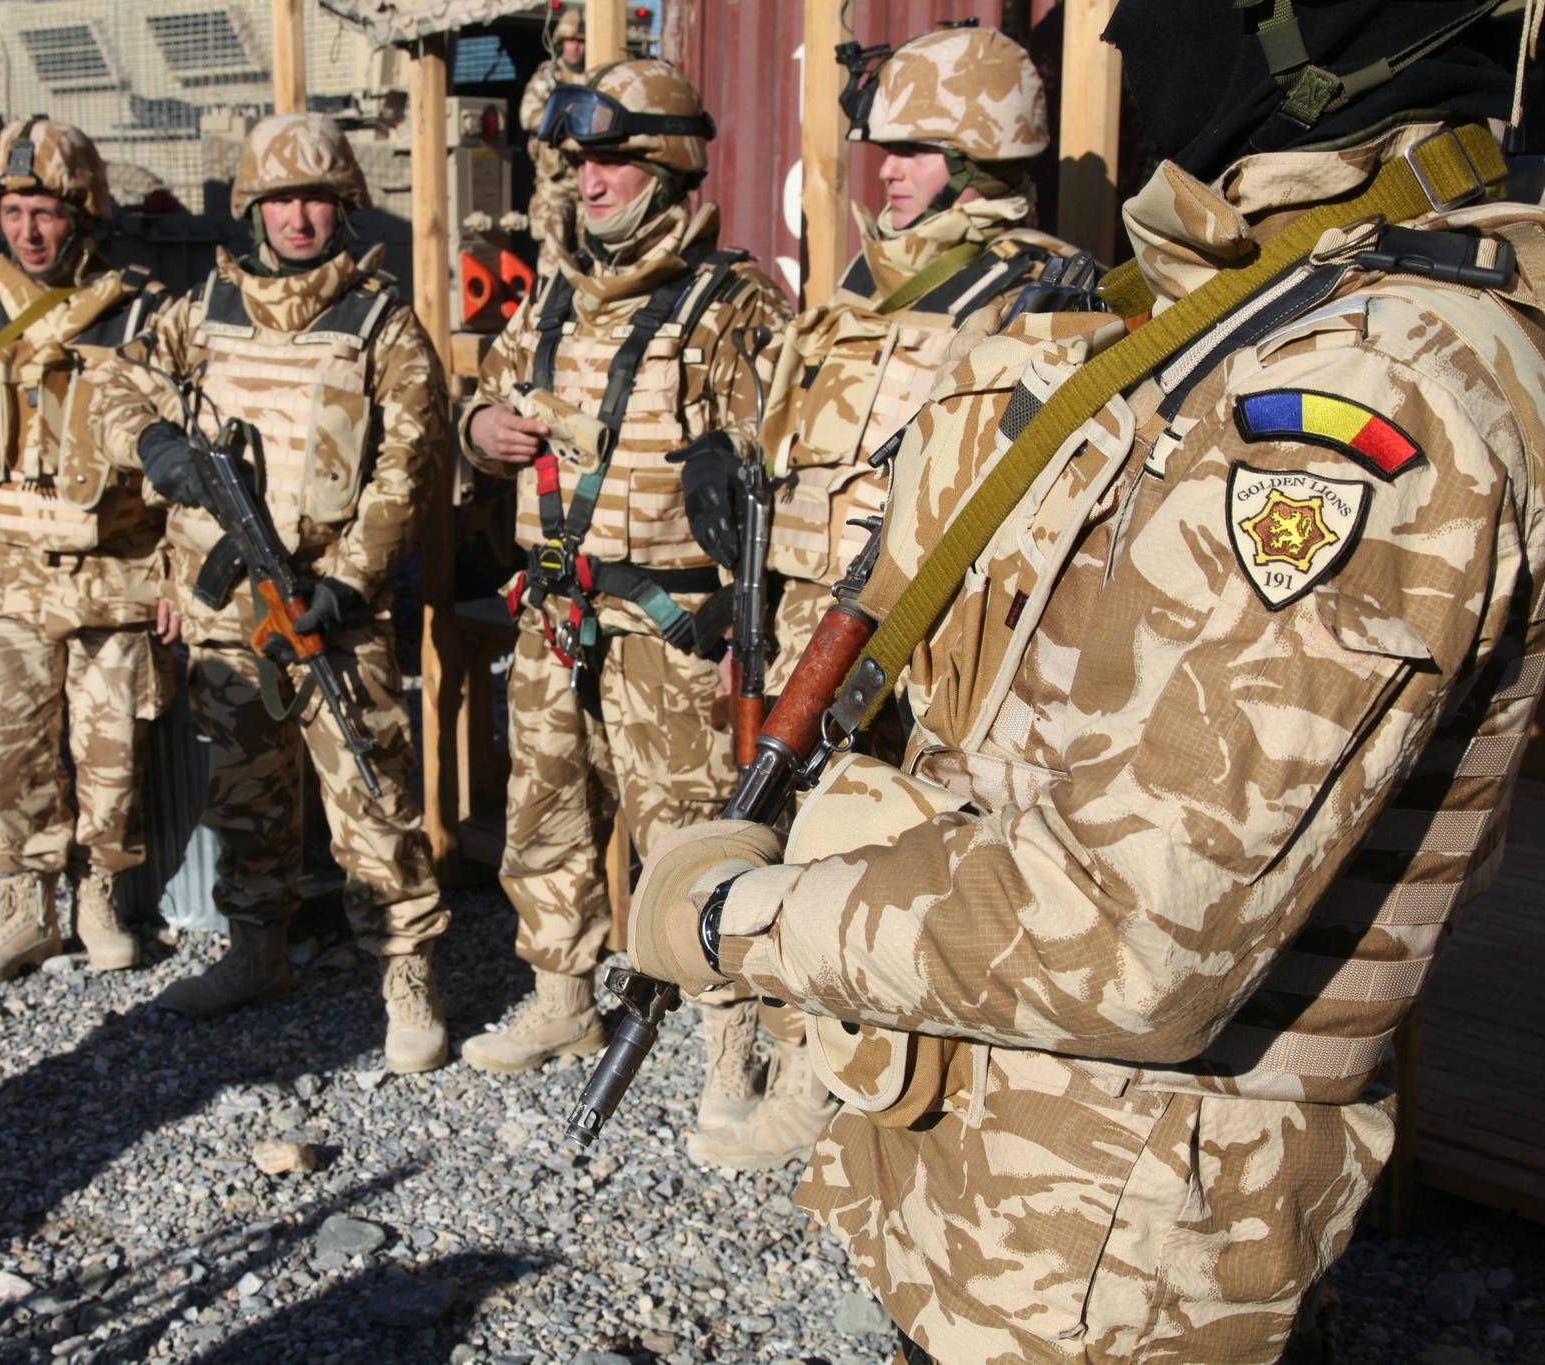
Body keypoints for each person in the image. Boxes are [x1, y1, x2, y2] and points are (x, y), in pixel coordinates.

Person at [625, 1, 1545, 1358]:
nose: (1132, 42)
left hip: (1111, 1252)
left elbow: (1129, 935)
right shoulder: (1257, 308)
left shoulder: (1366, 388)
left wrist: (724, 921)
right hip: (1033, 1181)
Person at [696, 25, 1086, 1174]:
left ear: (979, 158)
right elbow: (791, 452)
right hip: (794, 626)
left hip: (912, 644)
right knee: (760, 832)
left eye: (916, 152)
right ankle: (749, 1045)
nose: (888, 173)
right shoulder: (860, 287)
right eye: (884, 150)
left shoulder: (1032, 294)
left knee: (870, 862)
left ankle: (829, 1081)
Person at [454, 58, 792, 1146]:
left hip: (671, 629)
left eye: (613, 162)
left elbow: (777, 470)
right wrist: (482, 432)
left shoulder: (731, 304)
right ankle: (561, 998)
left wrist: (754, 622)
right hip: (554, 614)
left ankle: (731, 1041)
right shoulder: (552, 291)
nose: (588, 183)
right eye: (580, 164)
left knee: (690, 837)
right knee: (544, 813)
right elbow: (487, 399)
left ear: (669, 167)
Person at [90, 113, 452, 1074]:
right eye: (281, 199)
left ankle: (407, 973)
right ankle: (258, 951)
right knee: (244, 790)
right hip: (226, 613)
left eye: (317, 200)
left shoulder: (382, 326)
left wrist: (348, 581)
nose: (299, 218)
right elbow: (114, 390)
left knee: (371, 794)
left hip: (330, 610)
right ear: (252, 208)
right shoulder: (200, 312)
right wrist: (155, 445)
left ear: (345, 207)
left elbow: (407, 470)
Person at [0, 118, 175, 983]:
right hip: (3, 579)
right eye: (14, 212)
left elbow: (185, 456)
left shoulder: (143, 312)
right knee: (13, 751)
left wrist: (179, 575)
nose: (28, 230)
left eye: (47, 213)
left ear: (83, 214)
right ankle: (25, 906)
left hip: (113, 575)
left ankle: (100, 897)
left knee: (111, 753)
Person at [519, 8, 587, 275]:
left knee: (594, 253)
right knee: (552, 254)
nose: (576, 47)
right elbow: (528, 116)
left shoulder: (594, 76)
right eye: (571, 41)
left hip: (589, 180)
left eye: (581, 41)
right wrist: (564, 122)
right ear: (560, 42)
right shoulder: (548, 78)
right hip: (556, 182)